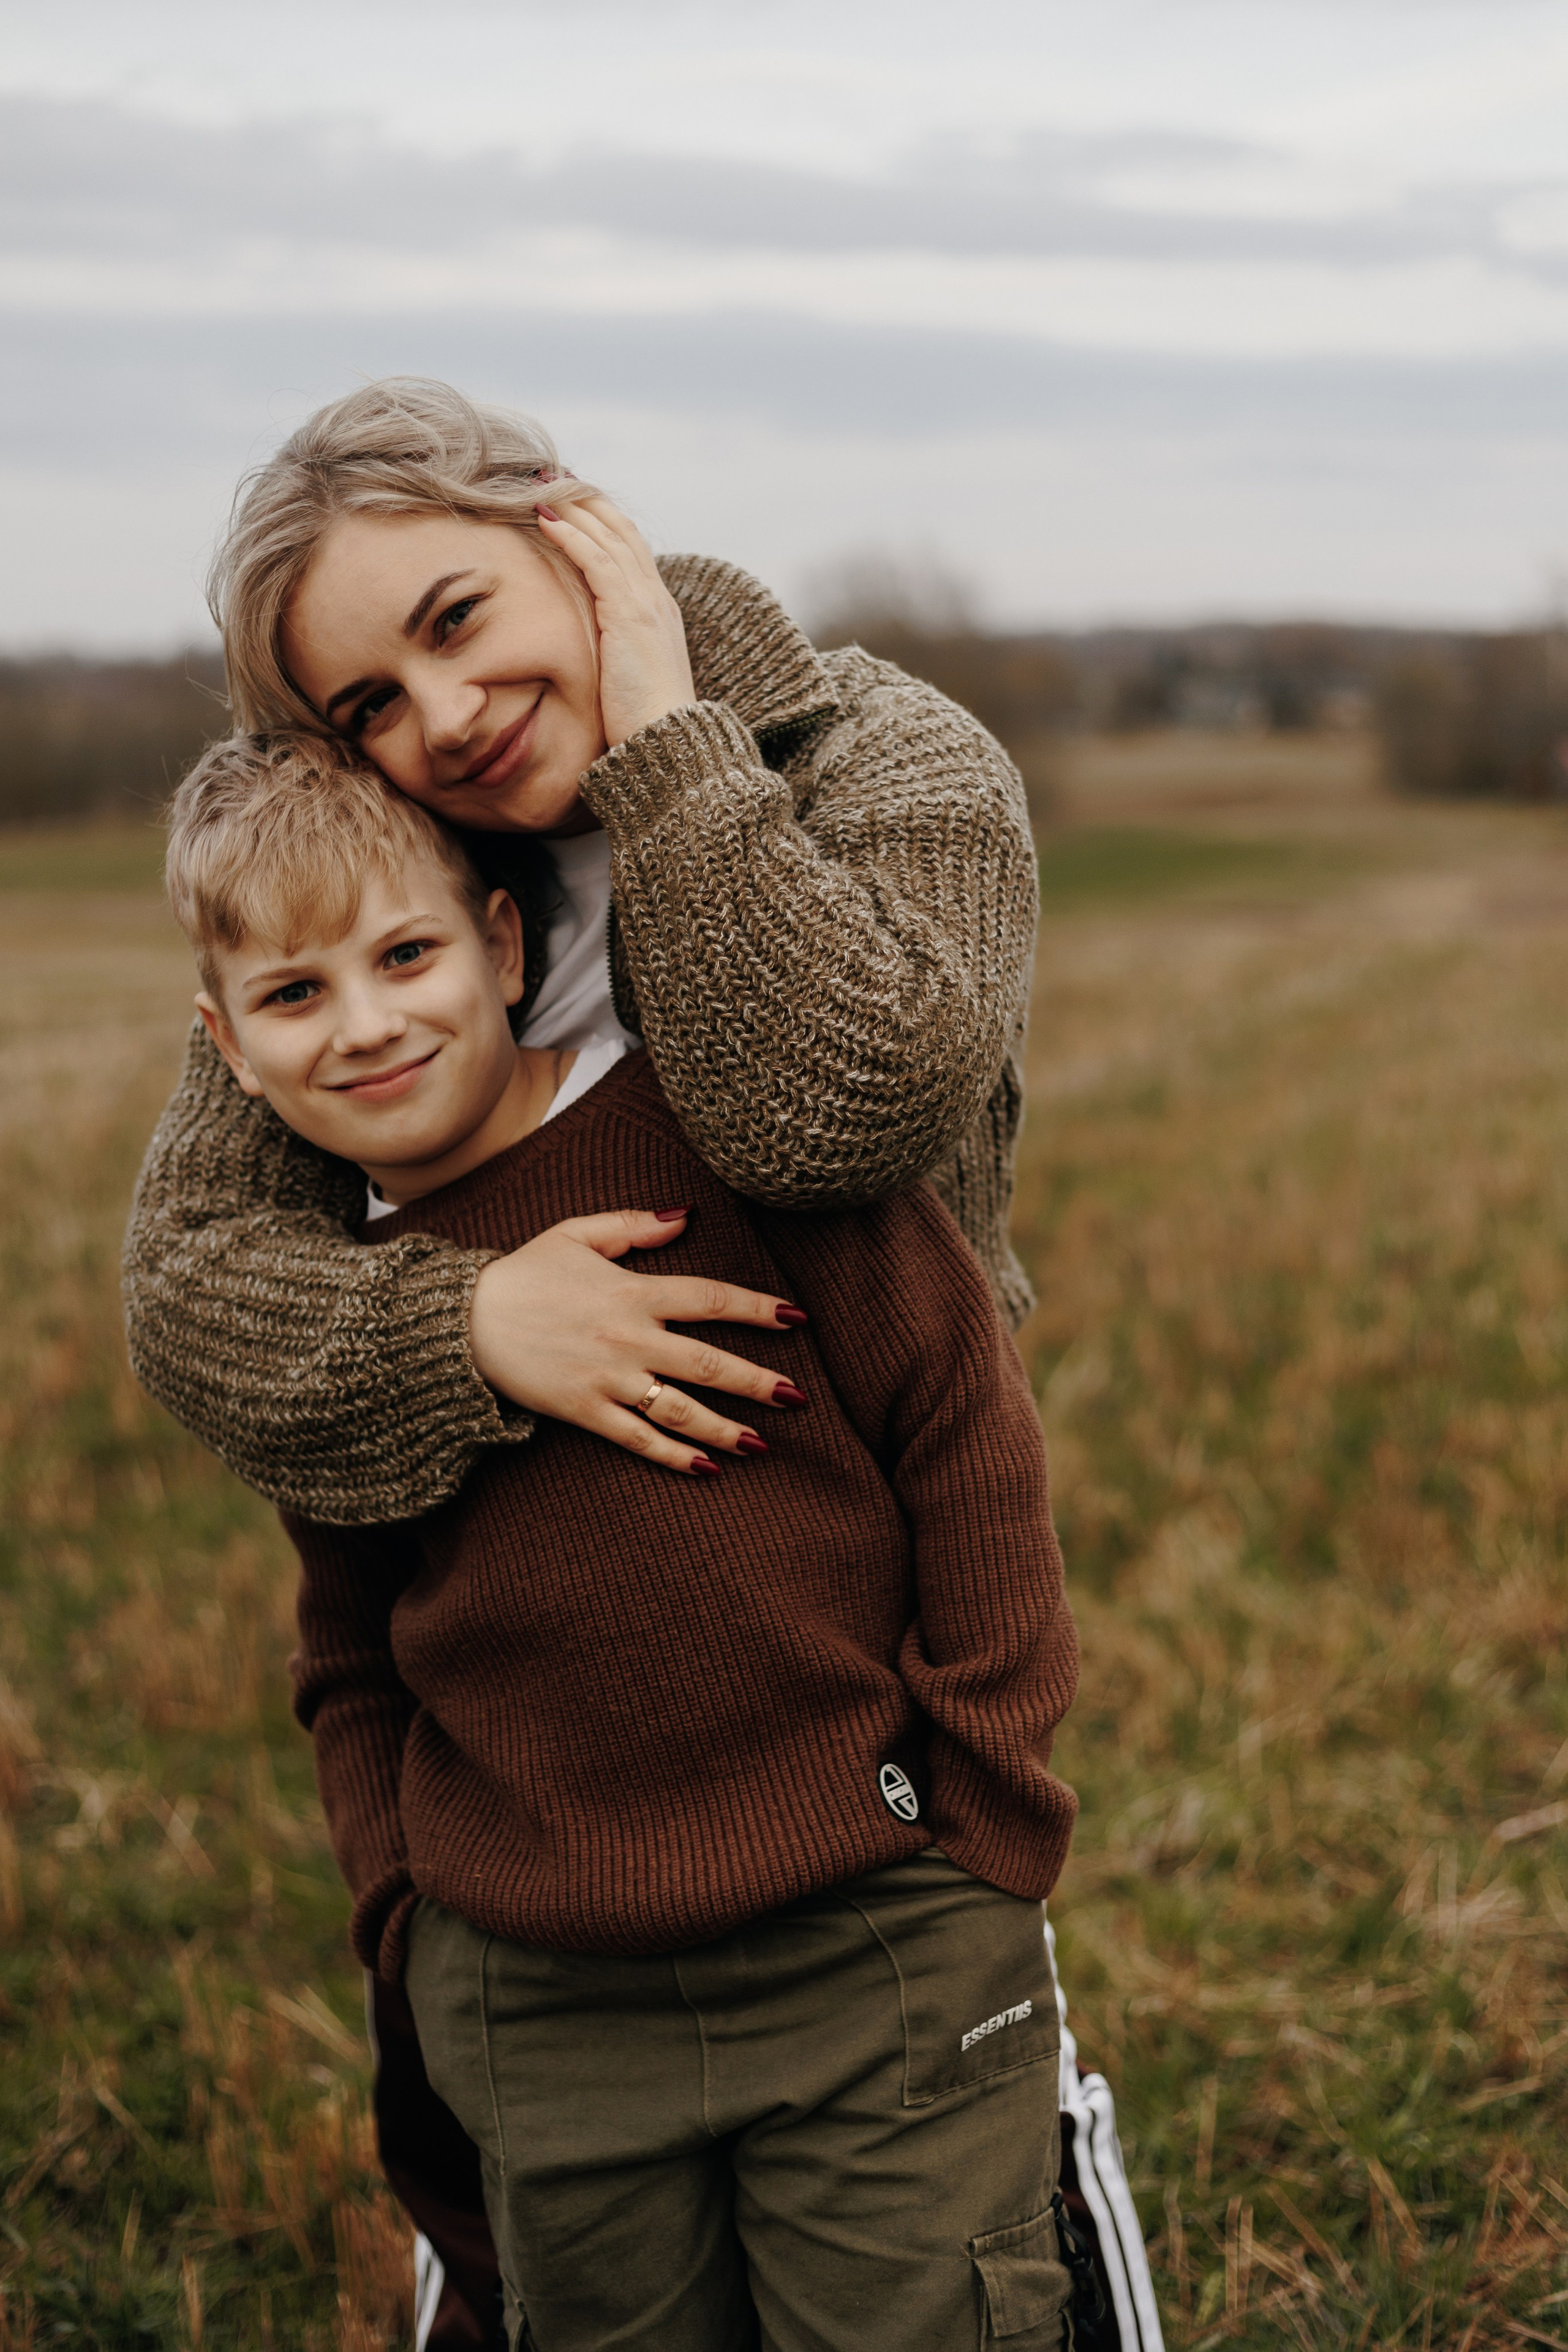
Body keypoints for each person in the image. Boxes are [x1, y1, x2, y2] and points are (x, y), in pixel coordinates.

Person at [122, 379, 1164, 2351]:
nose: (437, 723)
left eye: (451, 621)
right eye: (363, 708)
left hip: (844, 1646)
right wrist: (469, 1322)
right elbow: (190, 1286)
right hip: (541, 1791)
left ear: (562, 529)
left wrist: (672, 746)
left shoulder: (883, 760)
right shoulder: (384, 885)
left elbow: (833, 1117)